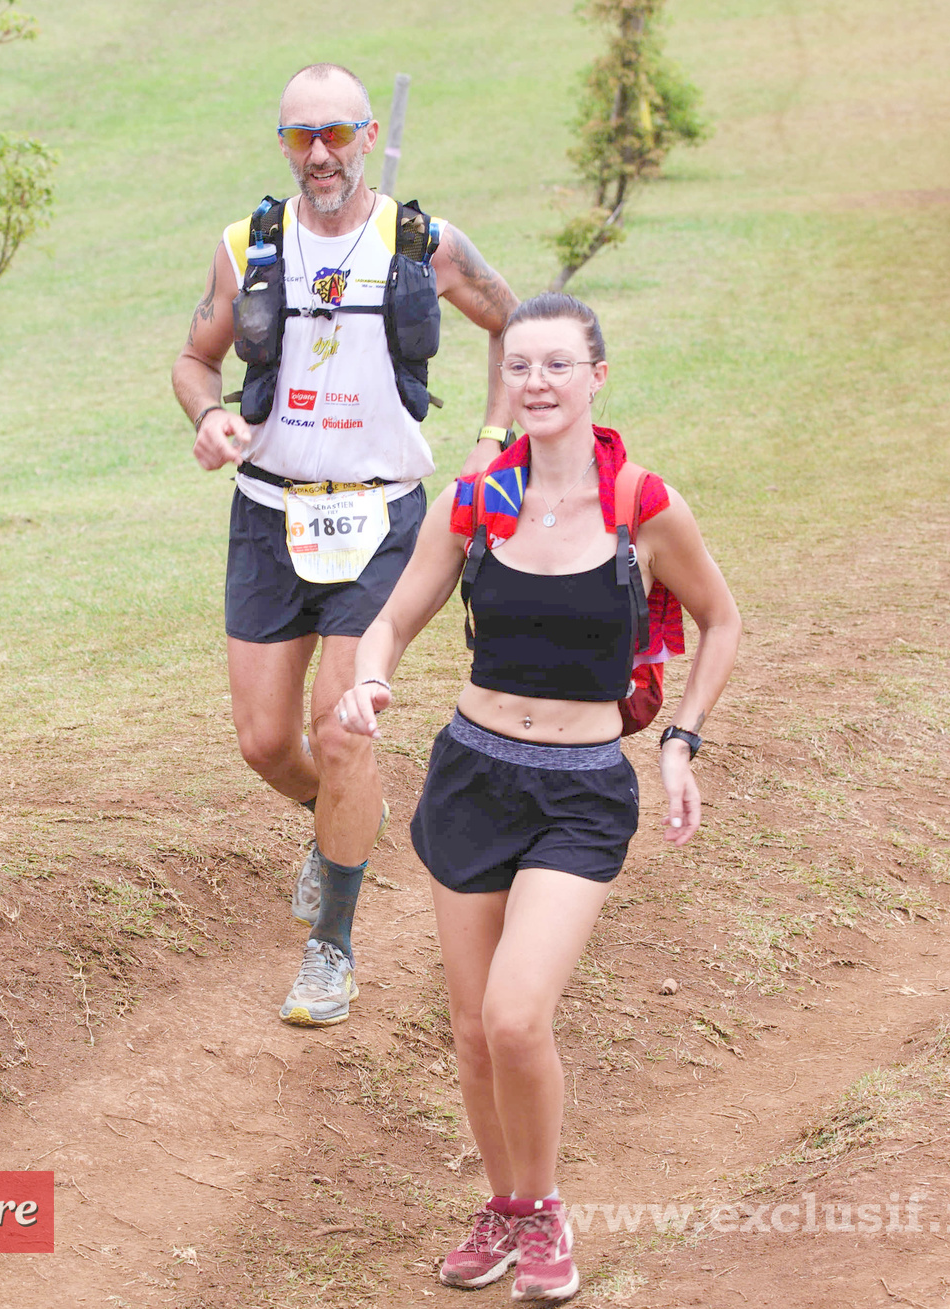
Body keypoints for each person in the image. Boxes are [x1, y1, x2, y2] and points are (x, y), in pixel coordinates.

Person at [335, 292, 742, 1302]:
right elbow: (391, 622)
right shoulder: (475, 500)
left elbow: (722, 620)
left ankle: (547, 1207)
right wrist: (370, 677)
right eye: (520, 367)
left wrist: (681, 742)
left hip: (581, 791)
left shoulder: (640, 505)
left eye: (559, 365)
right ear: (503, 382)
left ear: (596, 376)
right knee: (471, 1029)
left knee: (517, 1016)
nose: (538, 383)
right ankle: (505, 1206)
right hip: (472, 772)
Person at [171, 62, 518, 1027]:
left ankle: (333, 949)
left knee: (342, 730)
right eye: (299, 138)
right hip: (267, 513)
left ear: (367, 134)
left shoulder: (425, 245)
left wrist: (491, 445)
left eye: (336, 134)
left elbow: (515, 323)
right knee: (266, 742)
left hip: (381, 520)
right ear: (283, 146)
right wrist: (208, 418)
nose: (319, 154)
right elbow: (194, 359)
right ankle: (338, 827)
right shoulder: (248, 246)